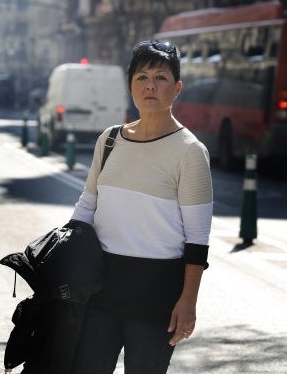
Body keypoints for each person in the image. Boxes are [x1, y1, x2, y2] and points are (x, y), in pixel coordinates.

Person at [70, 40, 213, 374]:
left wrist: (188, 302)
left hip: (156, 297)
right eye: (142, 77)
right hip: (99, 289)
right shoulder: (109, 140)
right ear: (130, 85)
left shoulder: (190, 152)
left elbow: (197, 239)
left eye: (161, 78)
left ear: (177, 88)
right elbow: (86, 207)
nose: (150, 85)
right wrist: (64, 260)